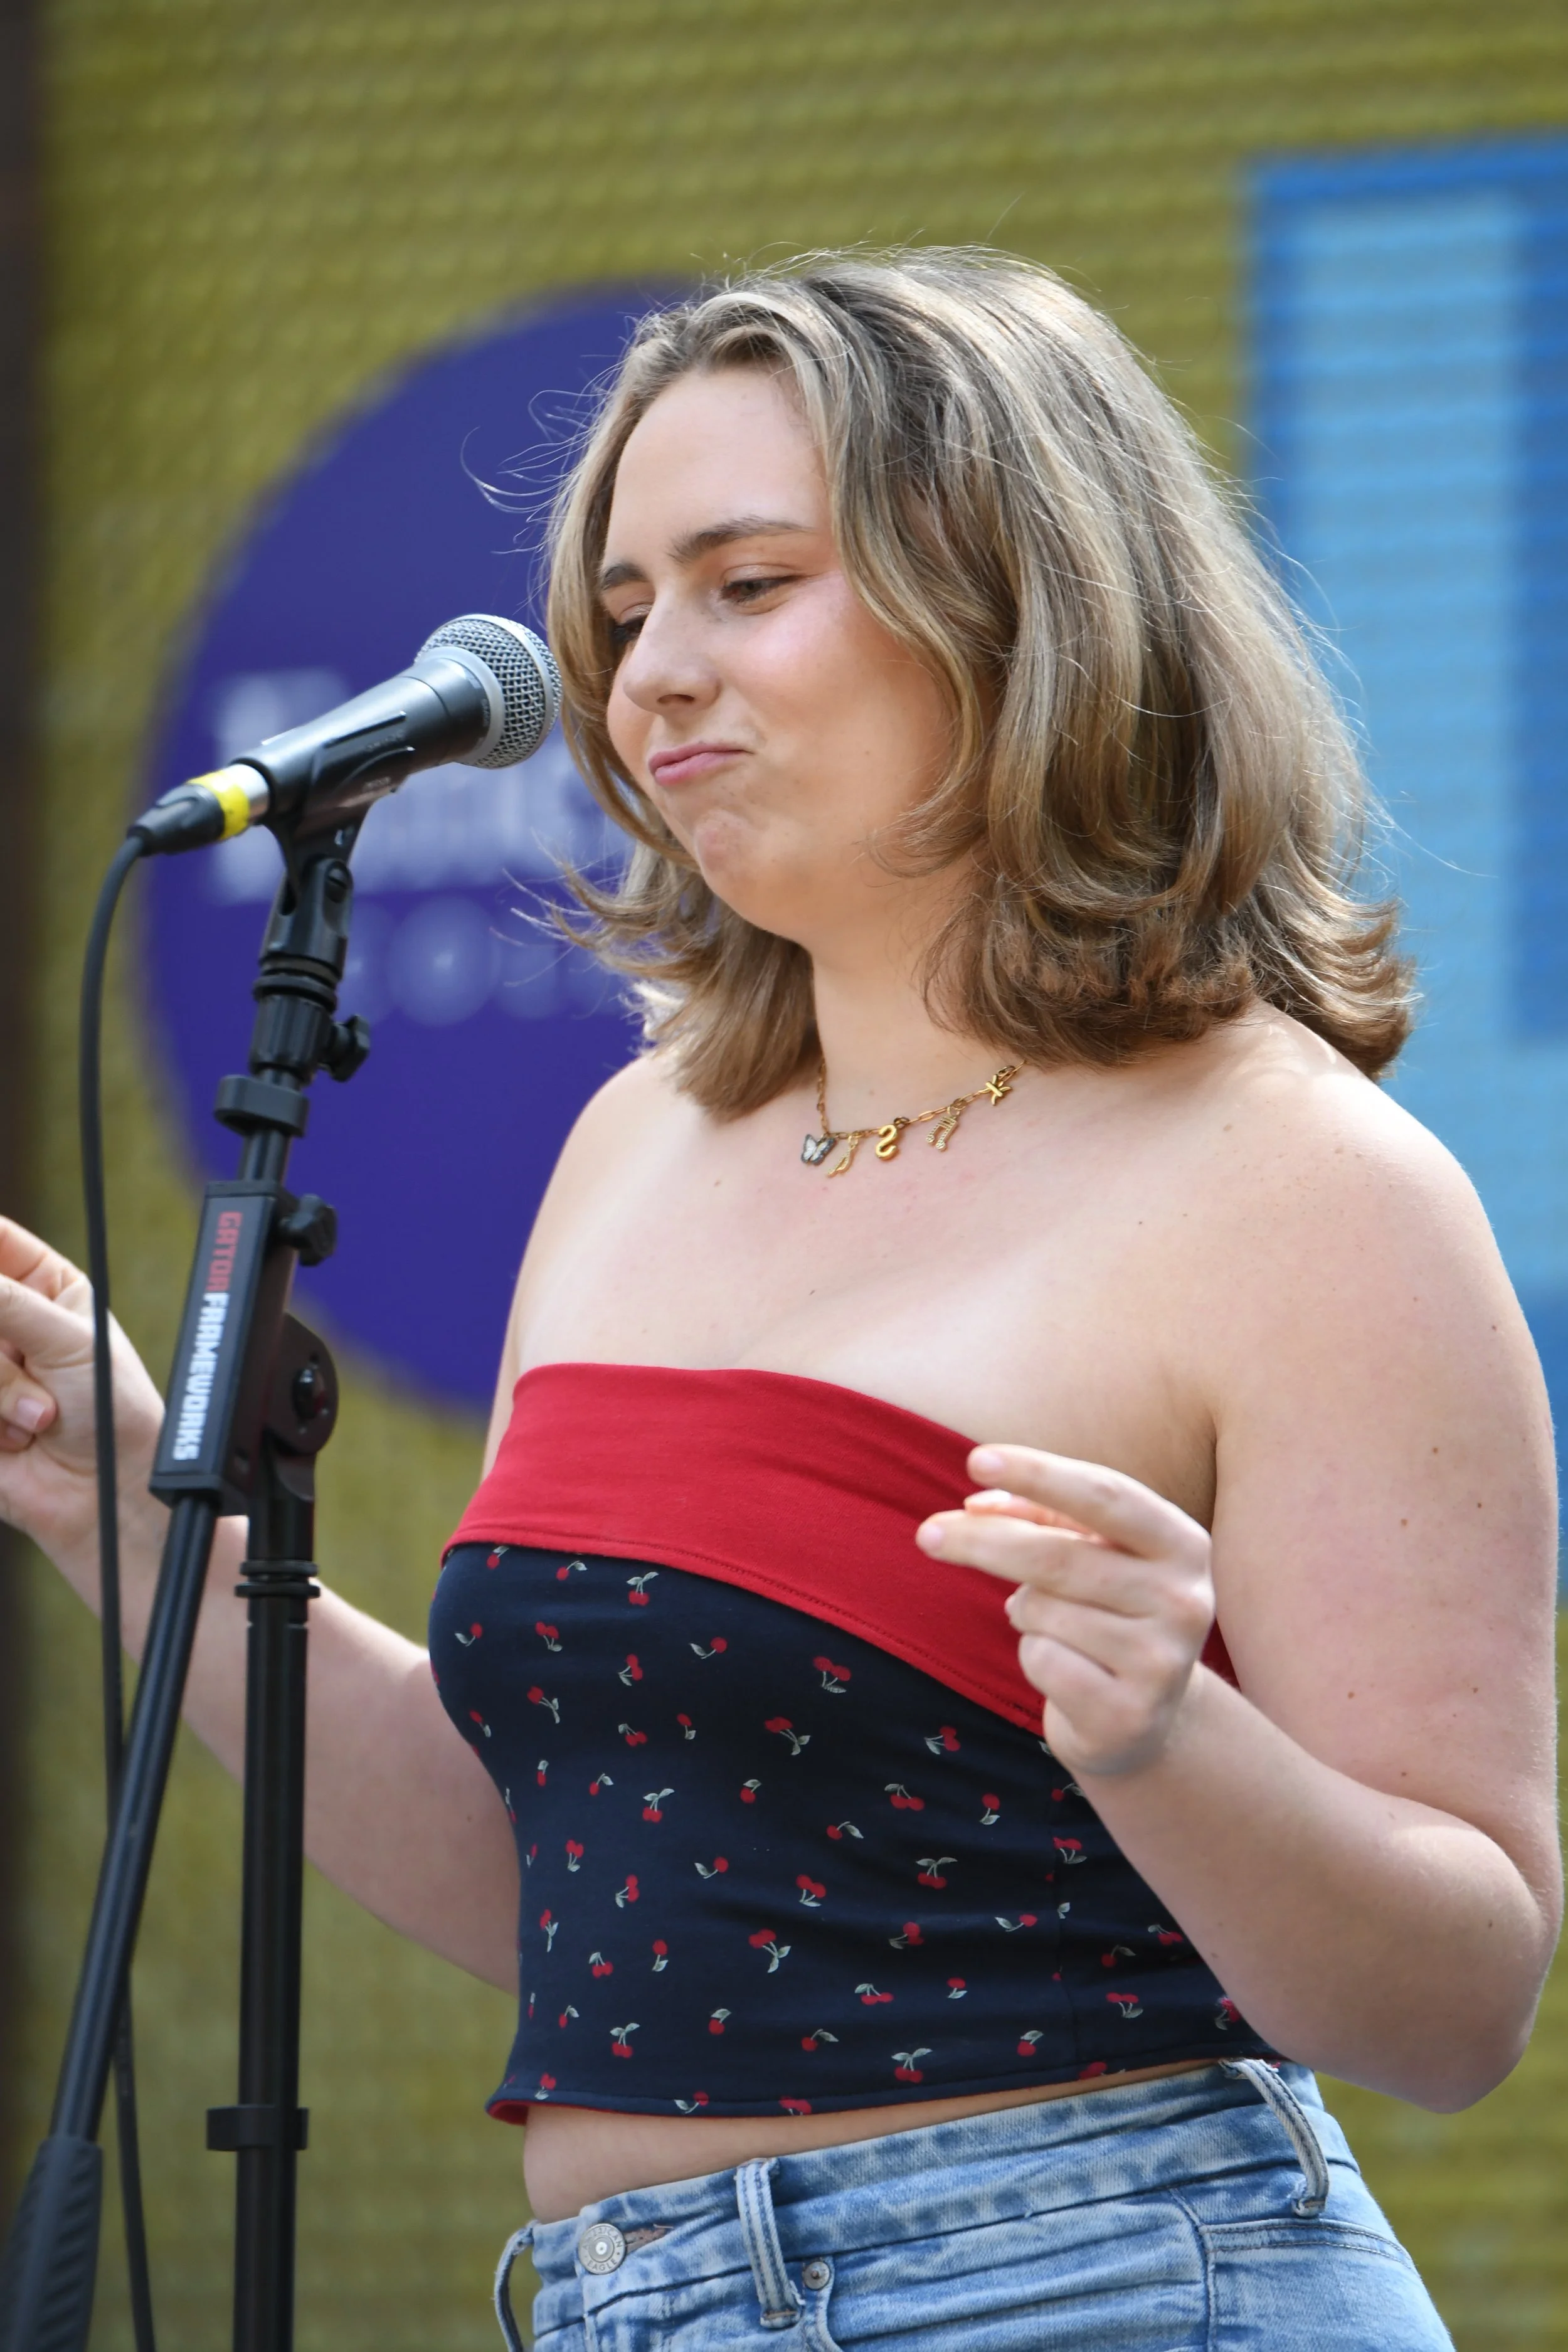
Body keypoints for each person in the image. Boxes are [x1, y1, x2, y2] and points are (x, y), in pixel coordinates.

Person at [0, 250, 1558, 2350]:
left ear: (1011, 599)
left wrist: (1167, 1734)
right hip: (618, 2303)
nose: (647, 679)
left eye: (746, 583)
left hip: (1102, 2279)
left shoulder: (1302, 1187)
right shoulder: (634, 1142)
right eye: (626, 610)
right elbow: (573, 1892)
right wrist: (124, 1504)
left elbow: (1458, 1999)